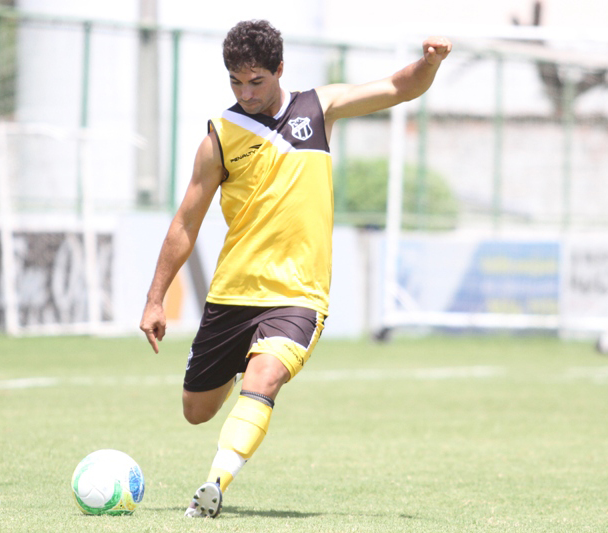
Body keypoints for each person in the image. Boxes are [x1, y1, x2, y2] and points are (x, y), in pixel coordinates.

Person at [139, 19, 452, 518]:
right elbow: (185, 223)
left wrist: (430, 63)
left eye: (256, 81)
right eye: (236, 82)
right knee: (196, 410)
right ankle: (242, 366)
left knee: (265, 377)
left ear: (280, 69)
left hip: (298, 295)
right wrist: (156, 299)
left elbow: (400, 87)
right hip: (233, 293)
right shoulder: (219, 138)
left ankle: (214, 484)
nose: (246, 93)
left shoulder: (319, 108)